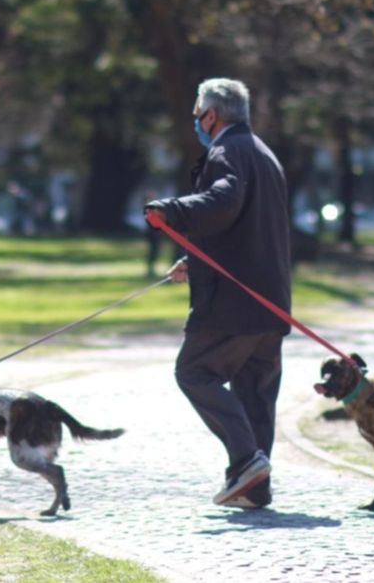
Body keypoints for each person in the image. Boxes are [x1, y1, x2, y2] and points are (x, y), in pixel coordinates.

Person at [144, 78, 291, 510]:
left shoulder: (226, 152)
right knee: (255, 393)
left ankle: (247, 461)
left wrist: (171, 211)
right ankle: (254, 486)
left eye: (197, 112)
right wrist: (197, 261)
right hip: (271, 303)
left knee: (194, 372)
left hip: (234, 306)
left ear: (212, 114)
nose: (195, 121)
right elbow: (248, 228)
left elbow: (223, 202)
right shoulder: (264, 154)